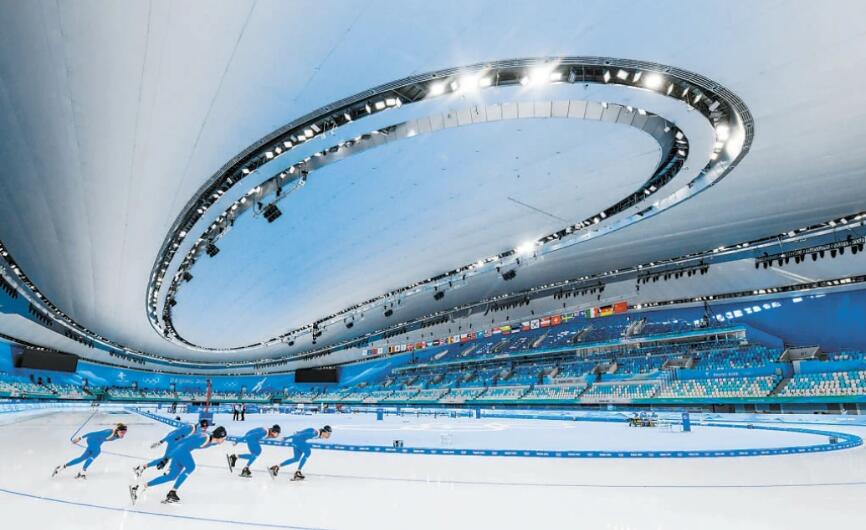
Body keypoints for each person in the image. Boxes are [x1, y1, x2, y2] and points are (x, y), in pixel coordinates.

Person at [129, 425, 227, 505]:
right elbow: (182, 444)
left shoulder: (214, 441)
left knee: (171, 476)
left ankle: (140, 487)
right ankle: (172, 492)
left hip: (182, 451)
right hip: (180, 449)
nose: (224, 440)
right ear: (219, 437)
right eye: (224, 438)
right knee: (191, 467)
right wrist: (167, 458)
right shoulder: (203, 438)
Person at [133, 417, 209, 477]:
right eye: (202, 428)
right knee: (166, 458)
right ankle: (142, 468)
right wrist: (161, 441)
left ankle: (143, 467)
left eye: (205, 428)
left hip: (177, 443)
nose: (203, 430)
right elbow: (174, 433)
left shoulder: (196, 431)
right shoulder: (190, 428)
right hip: (173, 441)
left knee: (168, 458)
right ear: (199, 425)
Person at [52, 423, 128, 479]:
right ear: (117, 430)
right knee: (97, 451)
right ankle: (82, 472)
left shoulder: (118, 436)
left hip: (96, 443)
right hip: (92, 439)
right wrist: (80, 438)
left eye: (125, 432)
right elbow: (92, 433)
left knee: (82, 458)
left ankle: (63, 466)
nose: (123, 434)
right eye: (122, 432)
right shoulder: (109, 432)